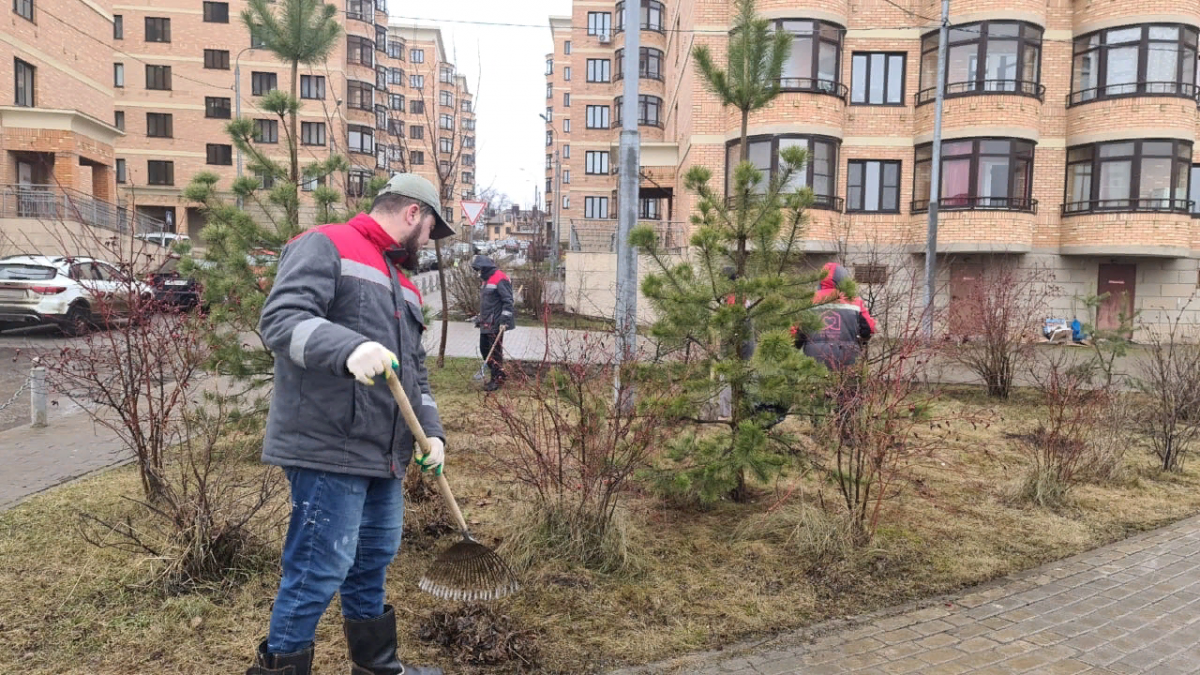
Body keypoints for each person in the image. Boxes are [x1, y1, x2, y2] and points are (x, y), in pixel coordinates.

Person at [247, 174, 455, 675]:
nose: (428, 241)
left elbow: (417, 373)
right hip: (327, 446)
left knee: (371, 563)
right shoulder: (326, 244)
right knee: (318, 569)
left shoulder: (403, 284)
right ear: (413, 214)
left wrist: (433, 433)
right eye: (430, 229)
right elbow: (280, 320)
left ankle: (377, 668)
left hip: (382, 453)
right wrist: (347, 349)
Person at [792, 262, 877, 371]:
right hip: (847, 357)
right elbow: (869, 329)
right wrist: (861, 341)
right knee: (846, 387)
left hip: (814, 359)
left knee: (816, 386)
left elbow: (795, 335)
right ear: (844, 280)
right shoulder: (854, 301)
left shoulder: (808, 301)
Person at [470, 255, 516, 391]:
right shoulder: (486, 280)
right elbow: (488, 303)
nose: (479, 273)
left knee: (494, 353)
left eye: (479, 270)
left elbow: (508, 301)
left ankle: (496, 380)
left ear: (485, 268)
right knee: (484, 350)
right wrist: (480, 317)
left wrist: (504, 321)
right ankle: (500, 372)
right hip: (486, 323)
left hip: (496, 323)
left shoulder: (500, 278)